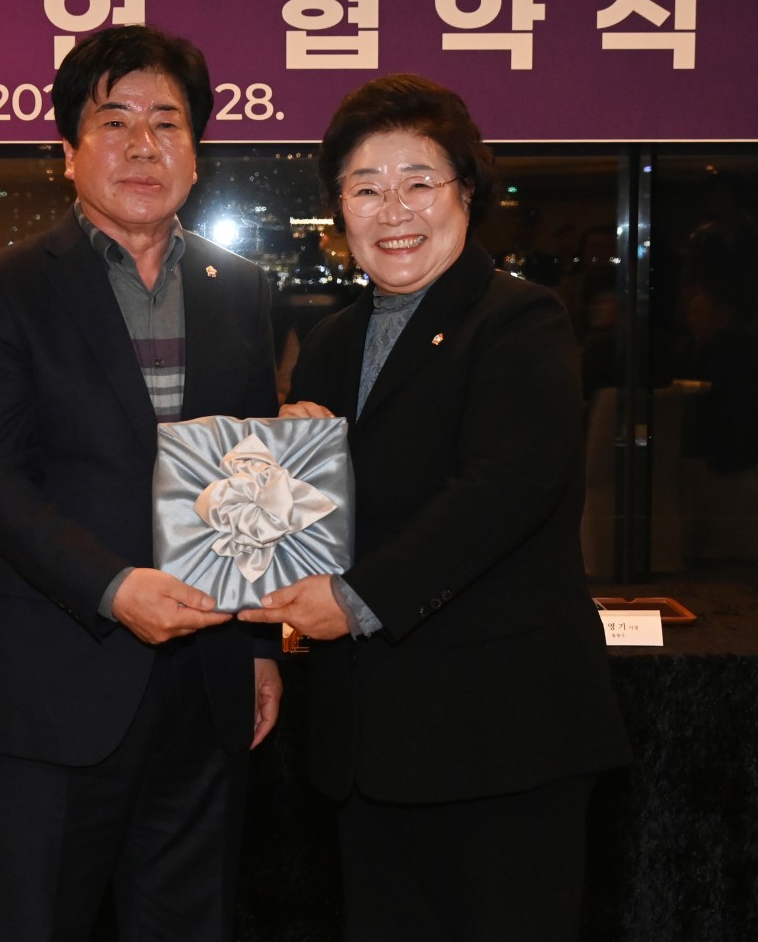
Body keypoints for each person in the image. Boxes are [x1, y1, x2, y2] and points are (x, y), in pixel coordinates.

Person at [241, 75, 630, 941]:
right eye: (365, 189)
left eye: (418, 181)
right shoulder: (331, 343)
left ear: (466, 191)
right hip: (368, 740)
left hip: (500, 734)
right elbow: (328, 521)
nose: (394, 211)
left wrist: (354, 600)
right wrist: (282, 469)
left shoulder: (520, 320)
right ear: (338, 211)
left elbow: (505, 489)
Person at [0, 24, 283, 942]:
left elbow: (253, 478)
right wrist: (114, 587)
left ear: (196, 154)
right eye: (115, 121)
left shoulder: (242, 289)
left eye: (167, 123)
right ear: (69, 151)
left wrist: (259, 648)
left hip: (206, 680)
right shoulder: (3, 289)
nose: (142, 144)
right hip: (58, 679)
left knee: (190, 921)